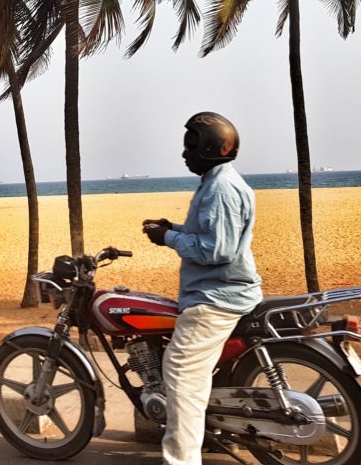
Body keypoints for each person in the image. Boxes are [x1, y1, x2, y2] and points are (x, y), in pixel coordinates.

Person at [143, 112, 262, 465]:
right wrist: (173, 228)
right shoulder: (218, 180)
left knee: (179, 372)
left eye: (191, 146)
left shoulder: (221, 188)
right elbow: (211, 234)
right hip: (223, 292)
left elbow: (217, 250)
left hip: (216, 299)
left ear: (211, 148)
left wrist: (168, 238)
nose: (184, 153)